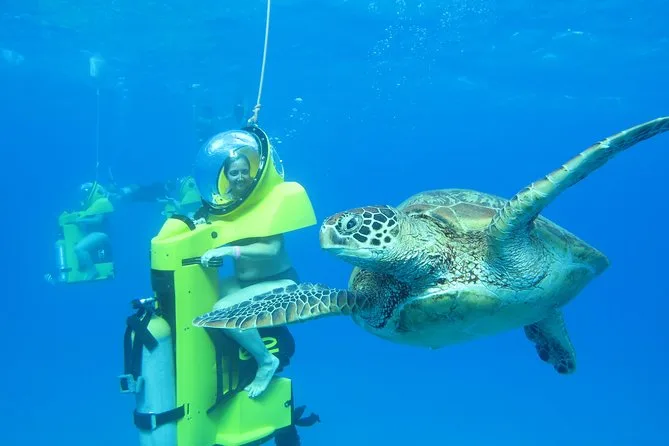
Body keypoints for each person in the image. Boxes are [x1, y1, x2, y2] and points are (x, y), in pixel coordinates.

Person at [199, 152, 300, 398]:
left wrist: (228, 251)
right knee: (200, 300)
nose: (240, 177)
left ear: (253, 173)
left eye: (245, 171)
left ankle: (266, 361)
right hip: (245, 283)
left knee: (223, 311)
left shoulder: (265, 205)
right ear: (226, 176)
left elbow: (272, 249)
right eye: (234, 173)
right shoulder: (224, 207)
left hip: (281, 282)